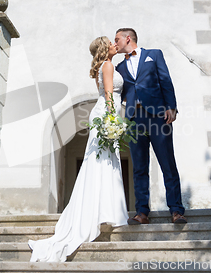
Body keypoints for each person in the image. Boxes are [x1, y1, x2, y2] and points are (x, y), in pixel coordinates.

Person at [28, 36, 128, 262]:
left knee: (101, 163)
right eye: (110, 42)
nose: (115, 44)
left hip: (100, 112)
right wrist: (113, 120)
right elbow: (110, 95)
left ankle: (102, 211)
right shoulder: (109, 65)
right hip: (106, 114)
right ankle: (104, 211)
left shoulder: (101, 67)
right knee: (105, 163)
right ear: (105, 48)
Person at [114, 28, 186, 224]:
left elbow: (165, 81)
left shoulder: (154, 55)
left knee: (167, 163)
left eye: (117, 39)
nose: (115, 43)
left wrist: (171, 107)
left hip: (158, 116)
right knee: (139, 167)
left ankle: (177, 210)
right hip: (134, 119)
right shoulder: (119, 67)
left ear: (127, 38)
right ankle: (142, 212)